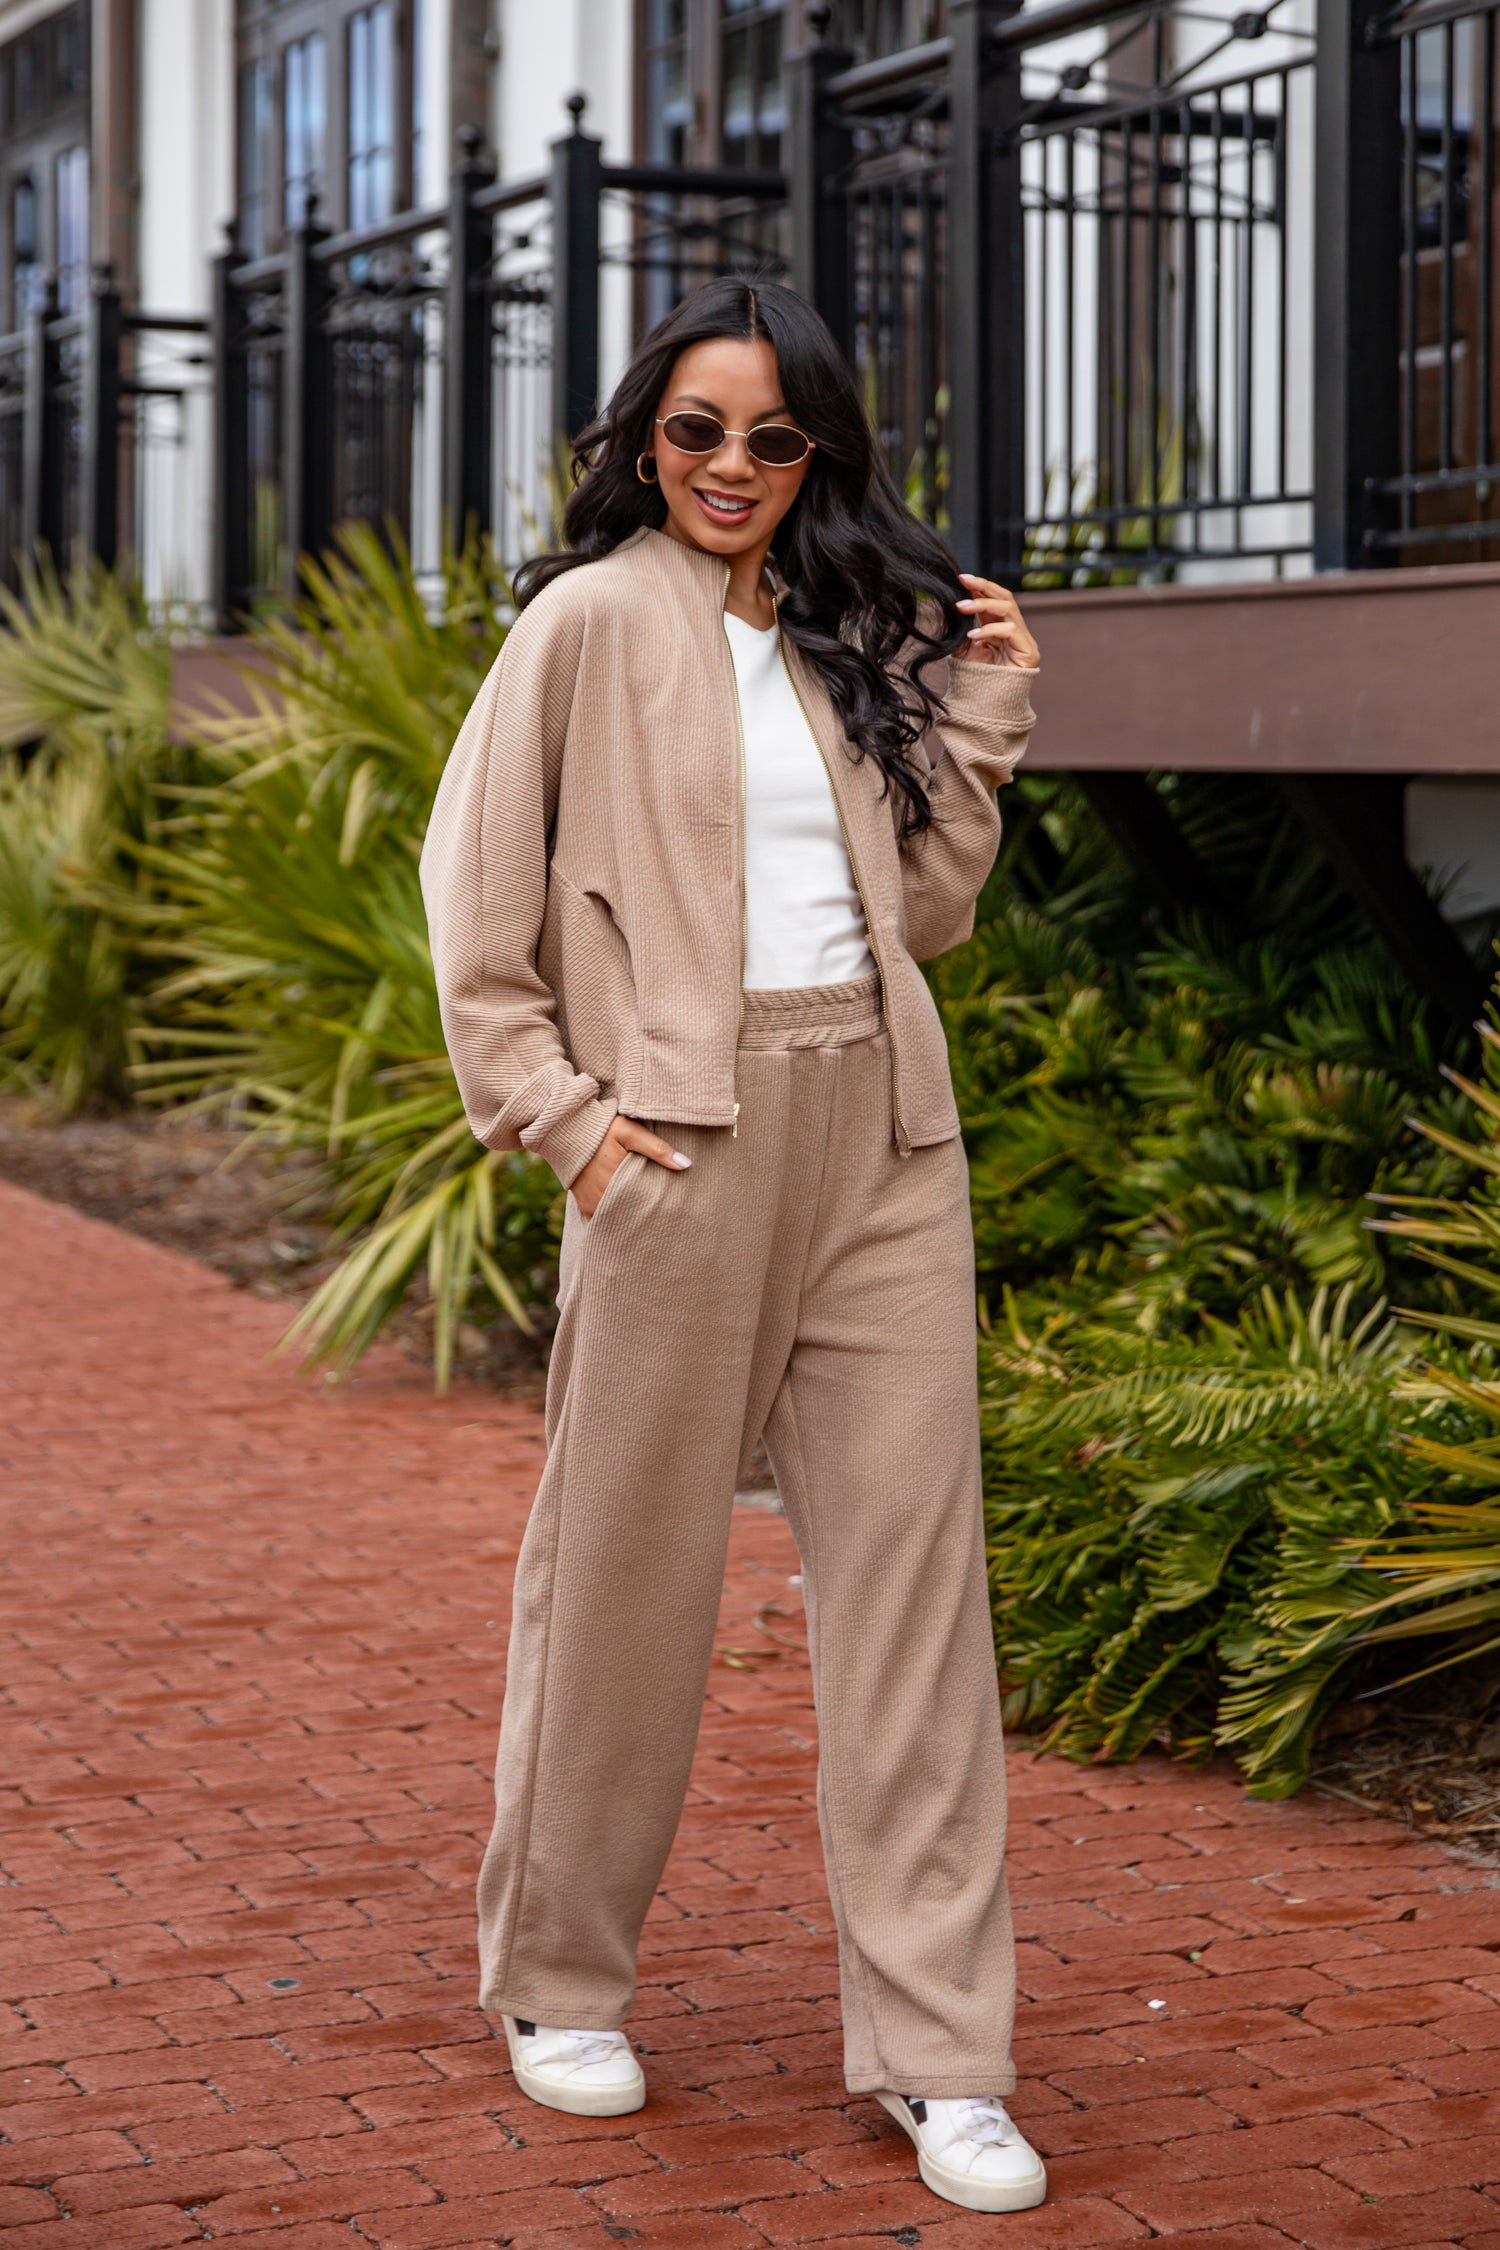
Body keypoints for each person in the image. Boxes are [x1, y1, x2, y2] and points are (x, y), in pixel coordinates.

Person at [420, 275, 1045, 2217]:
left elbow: (923, 914)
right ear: (642, 438)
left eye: (775, 437)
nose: (732, 467)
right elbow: (473, 905)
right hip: (672, 1141)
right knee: (620, 1574)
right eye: (697, 429)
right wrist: (572, 1129)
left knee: (919, 1605)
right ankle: (560, 1981)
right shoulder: (585, 625)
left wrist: (989, 709)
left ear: (819, 457)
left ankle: (943, 2055)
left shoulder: (844, 633)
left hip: (882, 1136)